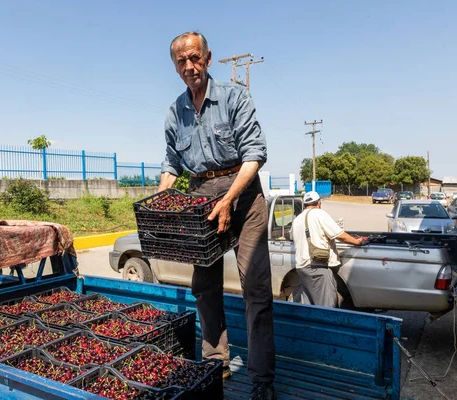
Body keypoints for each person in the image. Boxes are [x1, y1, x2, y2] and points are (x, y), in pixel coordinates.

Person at [158, 32, 276, 400]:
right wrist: (161, 200)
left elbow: (255, 154)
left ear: (208, 58)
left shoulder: (235, 97)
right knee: (204, 288)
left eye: (195, 58)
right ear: (175, 66)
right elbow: (172, 164)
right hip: (200, 198)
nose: (190, 67)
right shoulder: (174, 111)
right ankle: (215, 362)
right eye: (182, 61)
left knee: (255, 288)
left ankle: (262, 379)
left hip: (242, 195)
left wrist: (227, 199)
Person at [290, 191, 368, 307]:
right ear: (319, 203)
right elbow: (340, 235)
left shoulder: (297, 220)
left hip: (302, 268)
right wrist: (358, 242)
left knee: (309, 304)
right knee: (326, 306)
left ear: (304, 204)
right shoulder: (319, 214)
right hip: (317, 268)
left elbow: (292, 237)